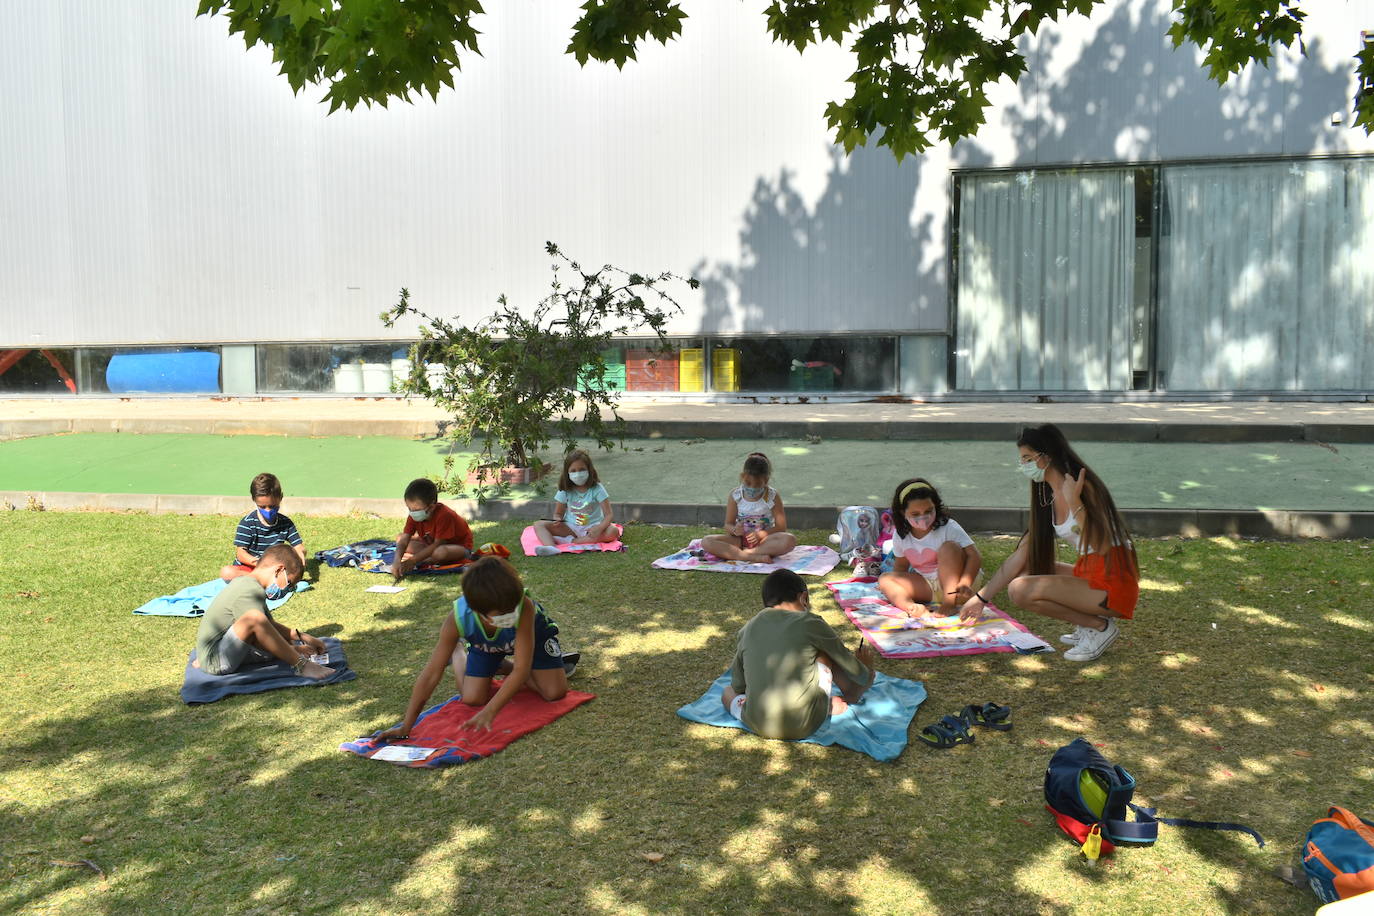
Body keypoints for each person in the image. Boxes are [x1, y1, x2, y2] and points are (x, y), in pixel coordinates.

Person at [956, 423, 1140, 661]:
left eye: (1027, 458)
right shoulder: (1048, 494)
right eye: (1022, 459)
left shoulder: (1083, 487)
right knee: (1026, 568)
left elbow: (1102, 545)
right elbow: (1023, 554)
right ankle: (1092, 622)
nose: (1023, 465)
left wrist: (1074, 502)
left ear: (1046, 456)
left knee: (1019, 589)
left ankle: (1098, 626)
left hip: (1114, 583)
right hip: (1092, 573)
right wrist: (980, 598)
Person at [377, 557, 576, 738]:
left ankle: (508, 666)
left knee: (554, 693)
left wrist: (490, 711)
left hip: (534, 637)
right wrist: (406, 726)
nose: (509, 616)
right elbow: (430, 675)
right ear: (477, 611)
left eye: (512, 609)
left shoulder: (524, 607)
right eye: (500, 614)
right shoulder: (458, 619)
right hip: (486, 645)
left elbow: (522, 670)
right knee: (472, 698)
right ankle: (458, 651)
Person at [722, 569, 876, 740]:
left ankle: (823, 705)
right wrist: (865, 669)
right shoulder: (811, 623)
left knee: (727, 693)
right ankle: (841, 697)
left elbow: (738, 686)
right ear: (804, 598)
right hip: (806, 723)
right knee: (823, 653)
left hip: (758, 723)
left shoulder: (748, 628)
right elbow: (849, 665)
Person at [194, 544, 333, 679]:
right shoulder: (249, 590)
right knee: (255, 620)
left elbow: (269, 626)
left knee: (275, 635)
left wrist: (302, 636)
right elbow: (259, 634)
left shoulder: (248, 583)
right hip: (217, 661)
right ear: (279, 570)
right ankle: (303, 667)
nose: (288, 590)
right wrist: (295, 655)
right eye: (290, 584)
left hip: (221, 649)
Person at [877, 478, 983, 618]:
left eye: (928, 511)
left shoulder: (949, 527)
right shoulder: (900, 535)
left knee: (949, 548)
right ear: (903, 512)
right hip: (929, 587)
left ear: (936, 507)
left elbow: (974, 555)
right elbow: (901, 567)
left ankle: (949, 604)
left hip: (960, 589)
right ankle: (913, 608)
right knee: (885, 579)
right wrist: (897, 586)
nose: (923, 518)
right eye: (915, 514)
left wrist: (965, 582)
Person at [698, 452, 797, 562]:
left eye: (758, 484)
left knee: (789, 540)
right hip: (738, 541)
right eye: (748, 483)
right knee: (707, 541)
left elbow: (781, 527)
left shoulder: (772, 496)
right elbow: (728, 524)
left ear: (766, 480)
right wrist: (735, 530)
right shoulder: (736, 495)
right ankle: (749, 557)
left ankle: (747, 553)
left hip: (764, 541)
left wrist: (760, 535)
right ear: (742, 477)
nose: (752, 488)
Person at [531, 449, 619, 556]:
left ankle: (573, 541)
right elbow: (558, 513)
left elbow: (609, 515)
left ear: (589, 469)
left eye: (582, 469)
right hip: (570, 528)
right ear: (567, 472)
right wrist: (557, 519)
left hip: (593, 528)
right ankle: (551, 548)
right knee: (539, 525)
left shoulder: (597, 488)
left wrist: (599, 528)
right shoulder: (565, 489)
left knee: (613, 531)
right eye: (573, 471)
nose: (578, 474)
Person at [220, 472, 307, 581]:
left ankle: (262, 581)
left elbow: (299, 546)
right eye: (262, 506)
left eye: (272, 506)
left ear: (280, 498)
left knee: (292, 570)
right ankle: (263, 580)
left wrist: (300, 554)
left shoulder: (286, 523)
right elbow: (241, 554)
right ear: (254, 500)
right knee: (227, 572)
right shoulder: (247, 523)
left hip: (273, 569)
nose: (268, 510)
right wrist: (262, 565)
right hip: (251, 567)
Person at [391, 477, 473, 580]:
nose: (412, 512)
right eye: (409, 508)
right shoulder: (413, 515)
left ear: (431, 507)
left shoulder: (444, 515)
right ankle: (428, 557)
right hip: (431, 545)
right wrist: (397, 560)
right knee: (400, 538)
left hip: (458, 548)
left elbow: (438, 544)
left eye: (416, 510)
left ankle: (427, 560)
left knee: (440, 552)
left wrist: (413, 560)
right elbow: (405, 538)